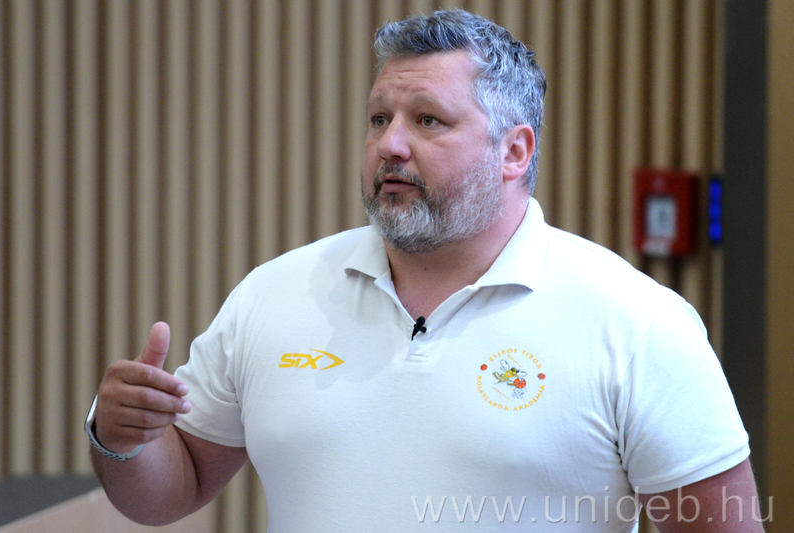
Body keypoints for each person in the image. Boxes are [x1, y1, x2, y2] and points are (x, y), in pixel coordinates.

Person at [87, 9, 762, 532]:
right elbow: (171, 489)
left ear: (514, 151)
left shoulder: (638, 322)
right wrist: (121, 439)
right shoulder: (274, 293)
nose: (391, 144)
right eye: (379, 118)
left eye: (429, 121)